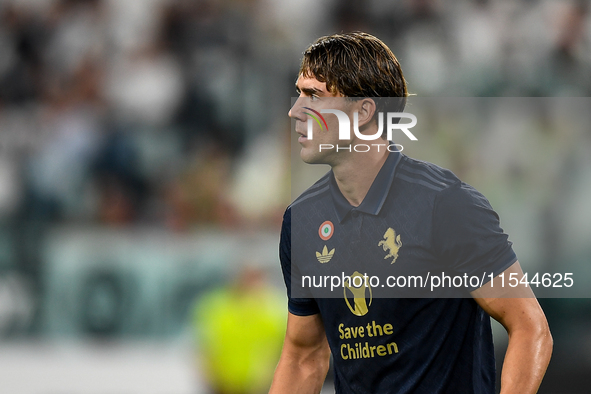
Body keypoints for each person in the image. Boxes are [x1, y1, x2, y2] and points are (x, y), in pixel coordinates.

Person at [270, 32, 552, 393]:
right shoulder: (303, 221)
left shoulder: (447, 205)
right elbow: (303, 356)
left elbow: (530, 328)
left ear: (364, 111)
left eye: (313, 95)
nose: (295, 111)